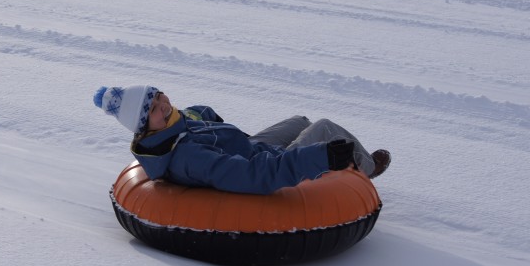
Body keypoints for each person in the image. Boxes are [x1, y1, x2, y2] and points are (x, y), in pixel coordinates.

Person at [94, 85, 391, 195]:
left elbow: (198, 116)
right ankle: (366, 169)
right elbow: (252, 176)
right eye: (154, 110)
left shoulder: (173, 123)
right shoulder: (187, 156)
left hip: (248, 145)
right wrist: (319, 157)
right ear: (144, 127)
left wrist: (207, 116)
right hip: (257, 162)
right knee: (324, 128)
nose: (163, 106)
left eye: (159, 97)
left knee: (300, 121)